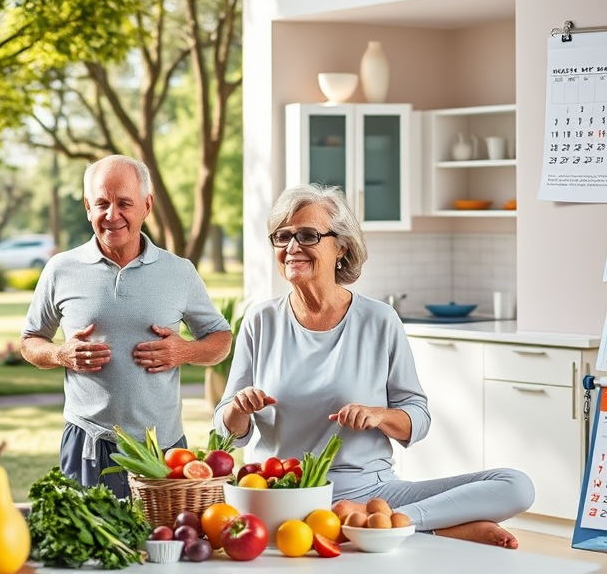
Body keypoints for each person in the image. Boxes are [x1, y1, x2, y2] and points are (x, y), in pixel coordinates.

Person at [212, 184, 534, 549]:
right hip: (283, 497)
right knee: (303, 525)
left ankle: (394, 521)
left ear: (341, 247)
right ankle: (398, 526)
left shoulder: (379, 320)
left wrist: (380, 416)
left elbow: (418, 417)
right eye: (282, 236)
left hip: (370, 491)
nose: (291, 247)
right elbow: (225, 430)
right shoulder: (261, 320)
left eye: (307, 235)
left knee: (516, 485)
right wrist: (238, 408)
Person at [21, 154, 233, 498]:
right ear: (88, 207)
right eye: (102, 203)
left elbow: (221, 339)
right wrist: (61, 354)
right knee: (91, 548)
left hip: (162, 447)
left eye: (124, 203)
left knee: (161, 546)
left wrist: (186, 351)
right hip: (88, 444)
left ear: (146, 206)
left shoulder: (179, 272)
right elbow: (30, 340)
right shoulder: (61, 269)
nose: (112, 215)